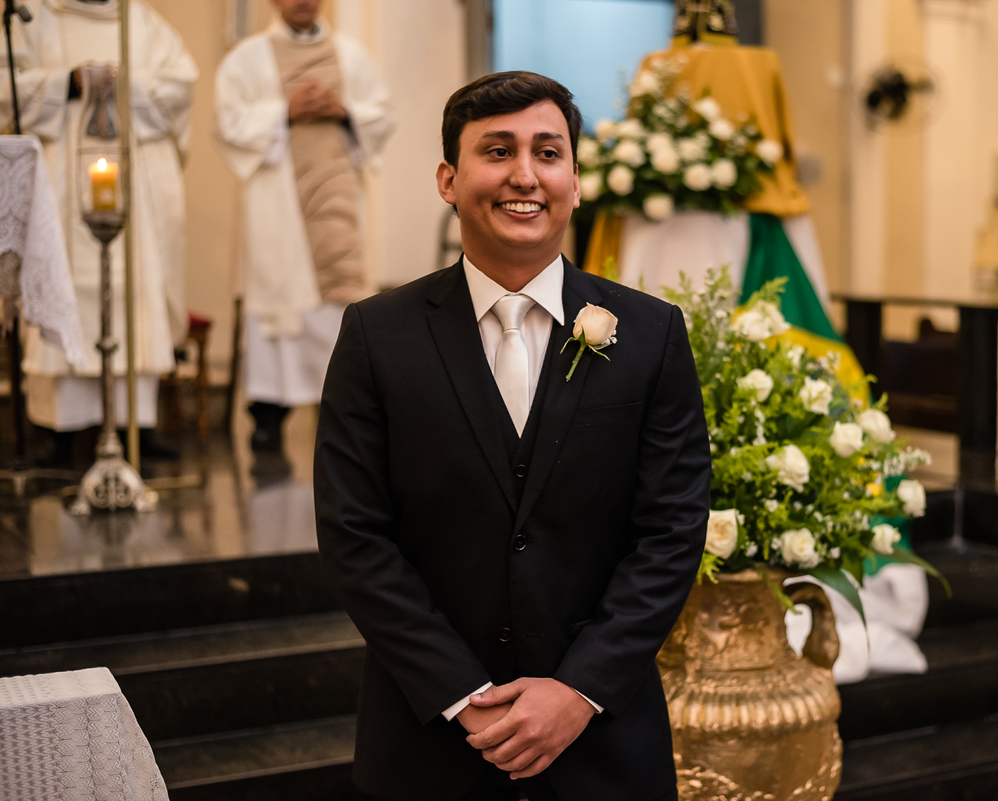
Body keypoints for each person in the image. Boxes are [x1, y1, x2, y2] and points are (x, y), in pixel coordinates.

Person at [313, 72, 711, 801]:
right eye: (497, 151)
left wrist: (577, 691)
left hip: (604, 746)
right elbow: (354, 535)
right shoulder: (376, 335)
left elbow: (672, 530)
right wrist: (465, 695)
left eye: (547, 152)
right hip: (430, 745)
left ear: (576, 180)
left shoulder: (652, 334)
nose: (524, 175)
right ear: (448, 178)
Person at [1, 0, 197, 458]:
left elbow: (180, 85)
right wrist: (65, 82)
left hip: (133, 185)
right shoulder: (37, 18)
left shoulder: (141, 20)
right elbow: (8, 85)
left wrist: (122, 81)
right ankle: (62, 430)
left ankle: (135, 427)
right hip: (60, 186)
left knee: (135, 287)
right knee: (62, 280)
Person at [215, 0, 393, 453]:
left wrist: (345, 109)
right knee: (281, 297)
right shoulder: (248, 57)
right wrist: (283, 111)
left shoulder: (351, 55)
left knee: (339, 303)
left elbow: (382, 116)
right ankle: (269, 416)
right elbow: (227, 122)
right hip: (279, 206)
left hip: (336, 200)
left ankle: (342, 411)